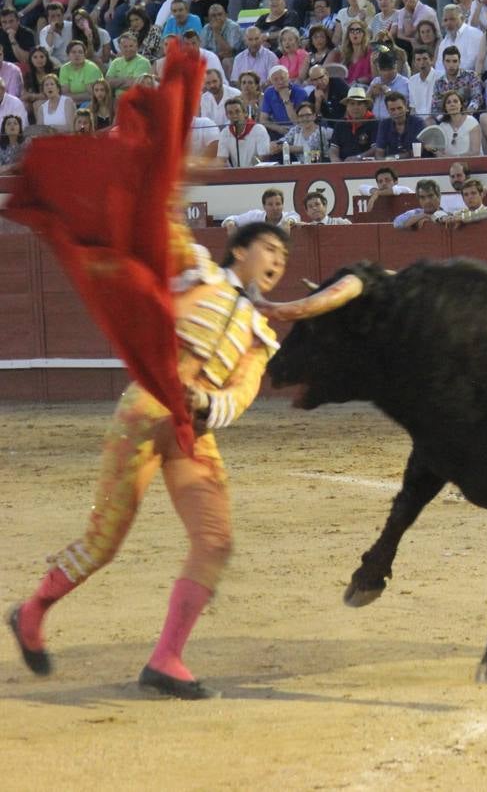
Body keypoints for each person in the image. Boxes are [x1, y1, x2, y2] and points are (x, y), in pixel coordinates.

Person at [7, 216, 291, 700]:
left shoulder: (260, 336)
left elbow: (241, 395)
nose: (278, 262)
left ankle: (166, 658)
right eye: (269, 249)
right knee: (105, 541)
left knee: (214, 542)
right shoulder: (196, 271)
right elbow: (160, 226)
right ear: (239, 251)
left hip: (192, 432)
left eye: (284, 259)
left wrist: (207, 406)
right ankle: (30, 613)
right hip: (144, 412)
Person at [222, 187, 301, 229]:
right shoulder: (255, 216)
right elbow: (232, 219)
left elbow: (295, 217)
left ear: (282, 205)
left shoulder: (288, 216)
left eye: (278, 204)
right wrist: (230, 225)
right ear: (264, 206)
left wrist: (288, 222)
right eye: (270, 204)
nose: (275, 208)